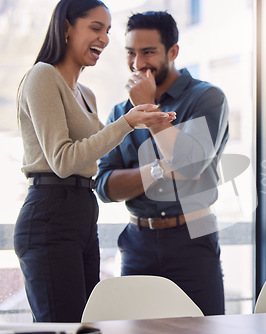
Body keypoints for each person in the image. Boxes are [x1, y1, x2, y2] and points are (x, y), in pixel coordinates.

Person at [14, 0, 175, 322]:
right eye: (95, 28)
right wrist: (126, 123)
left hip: (82, 212)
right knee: (63, 327)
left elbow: (95, 153)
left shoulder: (86, 93)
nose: (104, 39)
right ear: (66, 28)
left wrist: (148, 120)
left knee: (86, 324)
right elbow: (63, 160)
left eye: (107, 31)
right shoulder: (42, 76)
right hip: (49, 211)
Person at [95, 11, 229, 316]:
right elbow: (104, 186)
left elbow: (190, 166)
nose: (138, 63)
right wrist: (160, 168)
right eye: (131, 52)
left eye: (148, 52)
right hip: (137, 240)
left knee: (204, 327)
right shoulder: (120, 112)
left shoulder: (206, 98)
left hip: (193, 234)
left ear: (173, 52)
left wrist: (150, 109)